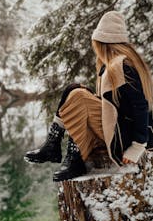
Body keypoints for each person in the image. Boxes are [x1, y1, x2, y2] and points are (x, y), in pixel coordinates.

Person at [24, 11, 153, 182]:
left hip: (126, 138)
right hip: (120, 129)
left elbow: (141, 106)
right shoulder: (114, 65)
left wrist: (137, 146)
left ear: (101, 43)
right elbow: (113, 105)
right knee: (75, 88)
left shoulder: (122, 65)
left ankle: (66, 151)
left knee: (79, 96)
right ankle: (55, 145)